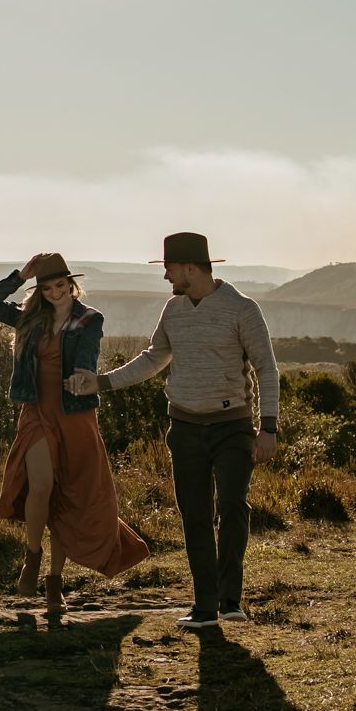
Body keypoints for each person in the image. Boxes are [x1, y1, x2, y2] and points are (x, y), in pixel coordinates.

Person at [65, 231, 280, 631]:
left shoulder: (242, 308)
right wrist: (102, 382)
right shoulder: (173, 309)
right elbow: (153, 358)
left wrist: (268, 428)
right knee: (194, 515)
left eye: (169, 269)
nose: (166, 277)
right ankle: (205, 607)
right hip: (184, 427)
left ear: (190, 268)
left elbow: (266, 368)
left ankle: (230, 600)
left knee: (232, 506)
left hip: (233, 427)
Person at [0, 254, 149, 616]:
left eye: (61, 285)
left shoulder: (89, 318)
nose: (56, 293)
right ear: (39, 290)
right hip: (36, 410)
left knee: (66, 497)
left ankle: (55, 581)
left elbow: (88, 353)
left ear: (72, 285)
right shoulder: (29, 318)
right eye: (47, 288)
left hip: (74, 414)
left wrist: (82, 376)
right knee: (40, 486)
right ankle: (32, 556)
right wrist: (20, 276)